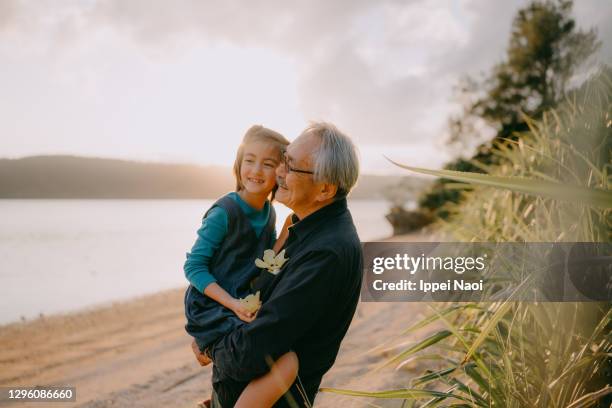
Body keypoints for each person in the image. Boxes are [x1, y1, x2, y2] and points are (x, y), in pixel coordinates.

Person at [194, 122, 363, 407]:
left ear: (324, 189)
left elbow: (255, 352)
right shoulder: (301, 225)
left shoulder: (326, 253)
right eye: (284, 159)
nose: (279, 172)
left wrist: (210, 345)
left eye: (291, 166)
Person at [183, 125, 298, 408]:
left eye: (268, 164)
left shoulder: (269, 213)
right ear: (238, 163)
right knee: (251, 350)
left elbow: (265, 260)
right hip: (210, 304)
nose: (256, 170)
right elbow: (194, 267)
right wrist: (232, 304)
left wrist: (286, 230)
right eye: (250, 160)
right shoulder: (224, 212)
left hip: (238, 300)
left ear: (280, 174)